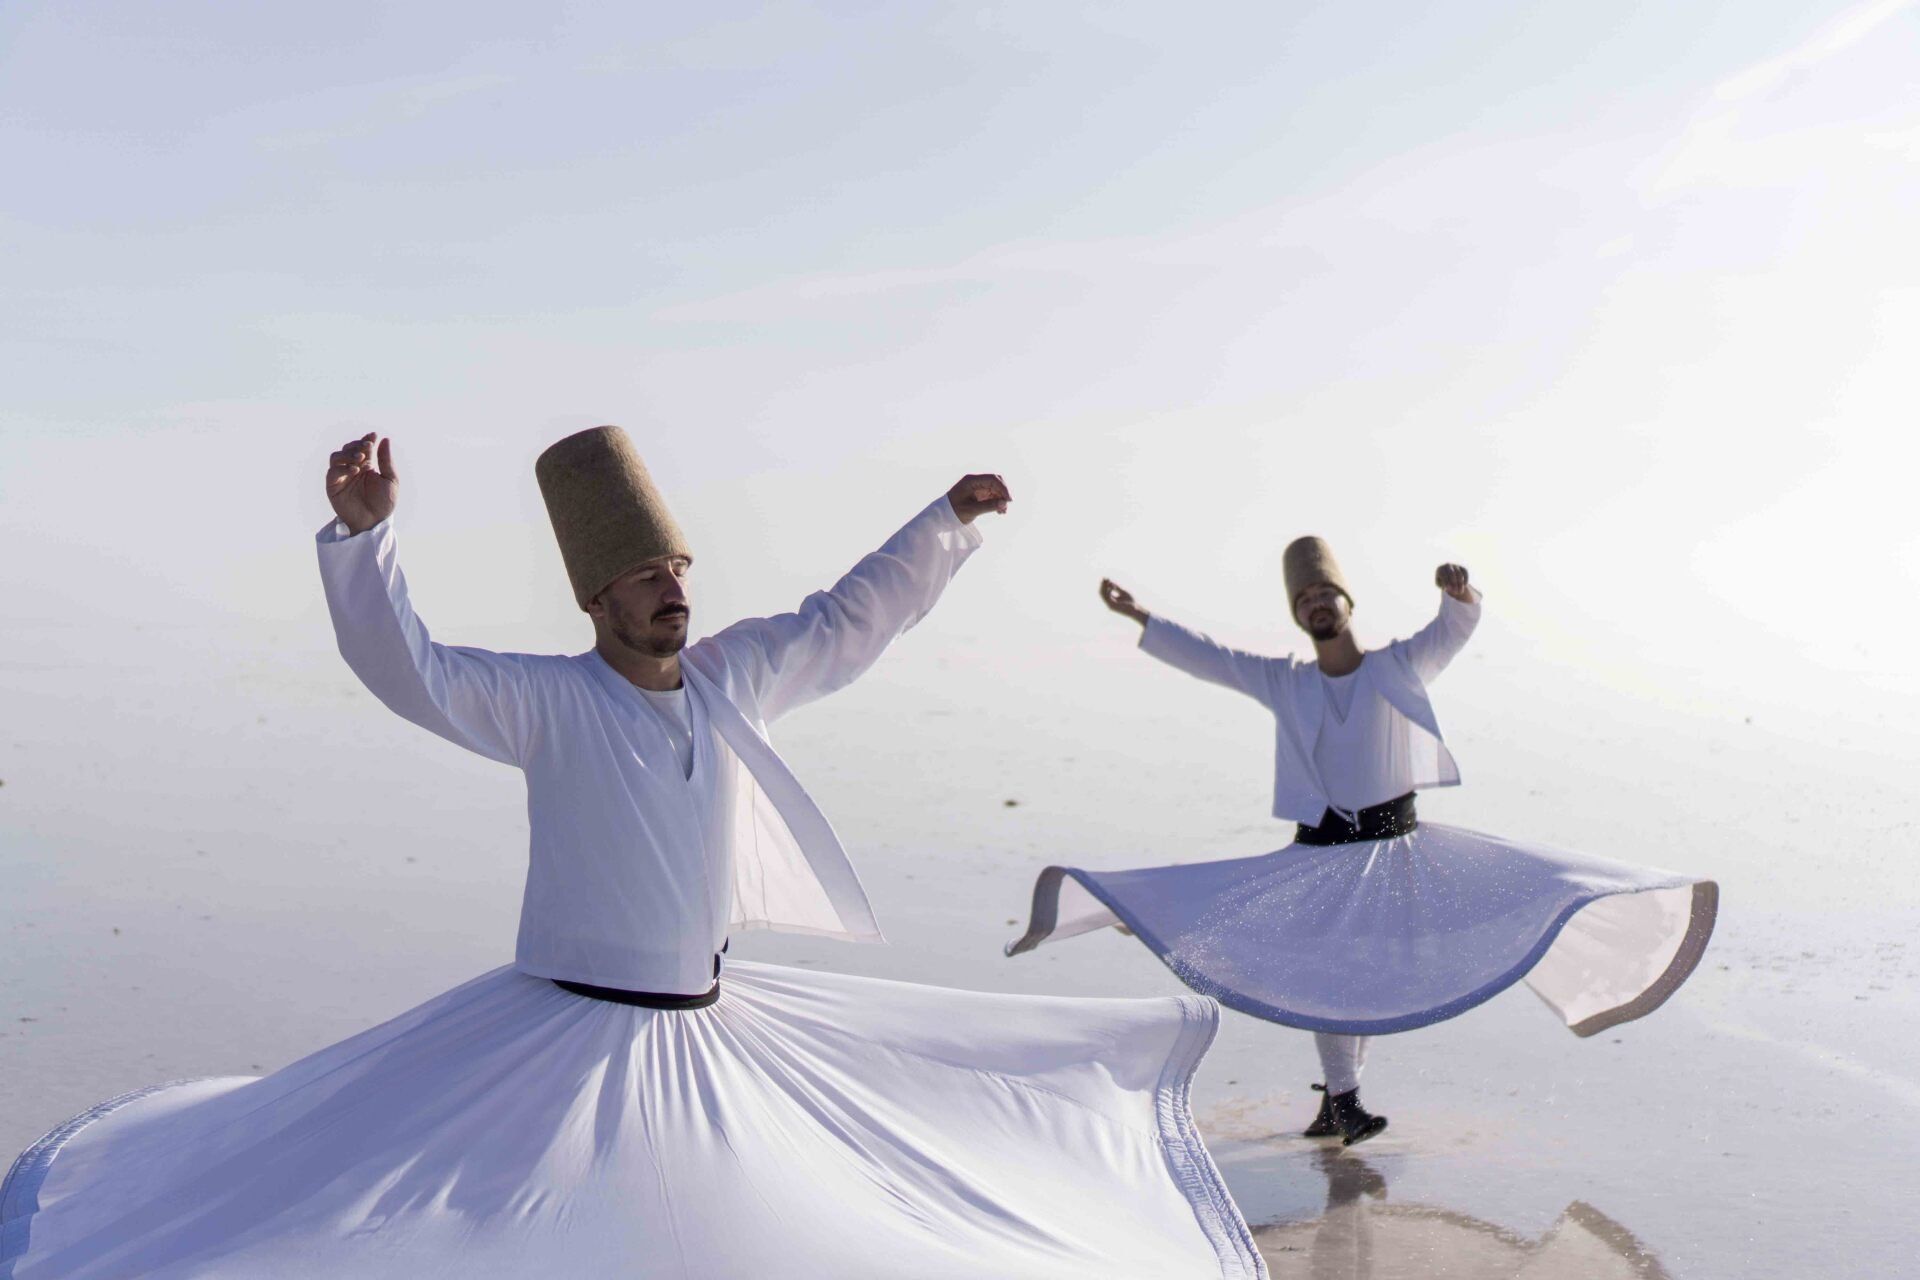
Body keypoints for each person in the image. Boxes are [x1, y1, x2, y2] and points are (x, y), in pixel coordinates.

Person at [1, 427, 1263, 1279]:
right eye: (644, 575)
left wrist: (944, 522)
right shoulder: (549, 701)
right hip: (559, 1030)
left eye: (676, 567)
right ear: (595, 599)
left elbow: (849, 617)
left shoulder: (734, 676)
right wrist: (365, 541)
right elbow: (410, 669)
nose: (671, 586)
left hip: (708, 1026)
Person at [1006, 535, 1717, 1147]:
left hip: (1395, 846)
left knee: (1381, 967)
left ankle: (1337, 1102)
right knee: (1332, 975)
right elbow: (1213, 658)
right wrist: (1141, 617)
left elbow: (1451, 632)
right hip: (1318, 853)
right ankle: (1343, 1101)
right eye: (1305, 599)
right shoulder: (1284, 682)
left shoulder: (1395, 666)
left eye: (1326, 593)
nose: (1317, 604)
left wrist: (1459, 595)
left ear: (1347, 602)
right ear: (1298, 615)